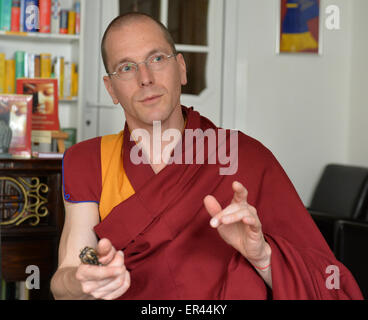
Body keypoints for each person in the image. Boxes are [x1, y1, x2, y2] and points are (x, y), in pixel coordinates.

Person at [50, 12, 363, 300]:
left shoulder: (245, 157)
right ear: (111, 89)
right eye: (126, 67)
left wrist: (262, 255)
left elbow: (328, 283)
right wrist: (84, 282)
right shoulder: (88, 159)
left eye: (157, 58)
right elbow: (62, 280)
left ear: (182, 69)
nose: (145, 78)